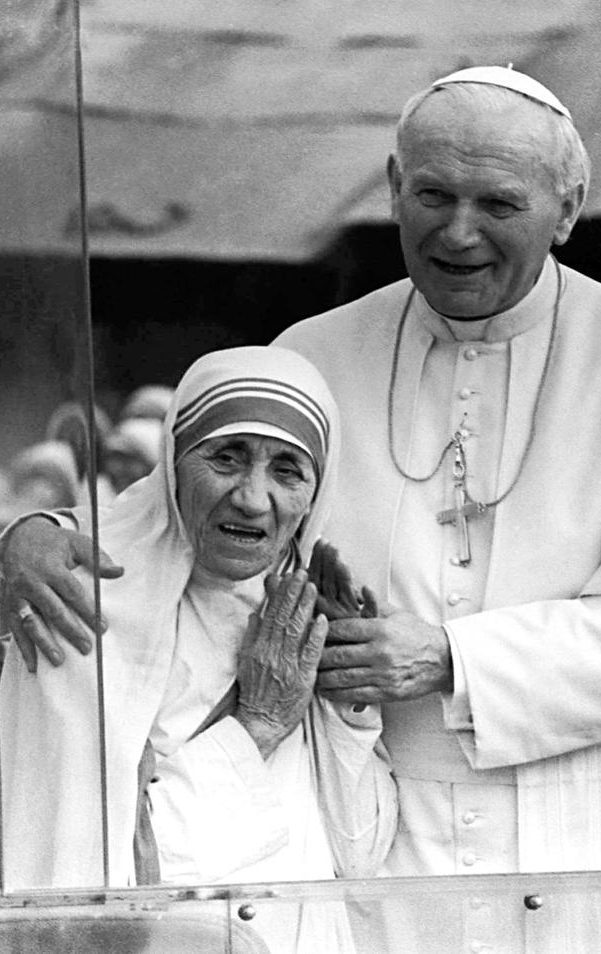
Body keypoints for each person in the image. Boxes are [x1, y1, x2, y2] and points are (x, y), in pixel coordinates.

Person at [2, 67, 601, 953]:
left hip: (598, 834)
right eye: (433, 195)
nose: (459, 232)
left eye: (499, 203)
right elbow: (176, 516)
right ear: (392, 187)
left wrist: (452, 658)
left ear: (567, 210)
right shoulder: (316, 352)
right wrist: (35, 534)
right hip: (381, 837)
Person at [0, 346, 397, 954]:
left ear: (315, 494)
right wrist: (256, 727)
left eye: (288, 469)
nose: (253, 498)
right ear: (173, 466)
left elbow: (363, 855)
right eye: (226, 457)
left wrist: (346, 697)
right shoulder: (84, 606)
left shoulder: (299, 611)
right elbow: (98, 885)